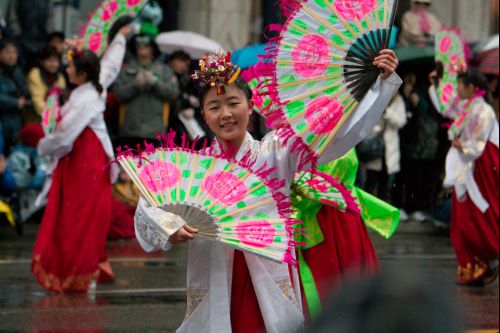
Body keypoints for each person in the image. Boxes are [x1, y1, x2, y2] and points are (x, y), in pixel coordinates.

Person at [133, 49, 401, 332]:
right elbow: (149, 201)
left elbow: (337, 132)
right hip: (215, 278)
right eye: (214, 107)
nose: (225, 114)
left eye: (233, 103)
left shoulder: (276, 151)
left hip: (266, 284)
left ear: (250, 107)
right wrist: (168, 225)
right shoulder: (192, 167)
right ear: (204, 115)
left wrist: (377, 86)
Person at [31, 25, 130, 294]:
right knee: (81, 216)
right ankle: (81, 269)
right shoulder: (89, 88)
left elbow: (63, 138)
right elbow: (109, 65)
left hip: (84, 162)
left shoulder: (86, 98)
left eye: (72, 67)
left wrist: (42, 146)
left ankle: (80, 272)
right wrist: (120, 36)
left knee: (78, 217)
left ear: (83, 73)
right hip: (81, 160)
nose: (67, 70)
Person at [295, 149, 400, 322]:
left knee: (334, 286)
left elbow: (327, 179)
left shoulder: (336, 138)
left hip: (332, 218)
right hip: (332, 214)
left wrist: (293, 186)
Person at [430, 69, 499, 286]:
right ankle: (477, 265)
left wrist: (463, 145)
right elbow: (446, 108)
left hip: (481, 168)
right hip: (469, 165)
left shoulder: (484, 111)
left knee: (480, 214)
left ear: (471, 88)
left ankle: (490, 259)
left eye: (460, 85)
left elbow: (477, 145)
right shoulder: (468, 107)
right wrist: (436, 84)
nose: (457, 88)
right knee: (464, 217)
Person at [113, 34, 179, 148]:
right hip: (130, 131)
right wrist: (134, 85)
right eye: (139, 45)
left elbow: (173, 93)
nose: (142, 47)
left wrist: (155, 83)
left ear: (152, 48)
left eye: (146, 45)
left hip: (155, 131)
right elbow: (117, 95)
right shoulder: (126, 69)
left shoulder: (164, 70)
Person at [361, 93, 407, 202]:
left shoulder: (398, 100)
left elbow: (401, 122)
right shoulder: (376, 94)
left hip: (389, 148)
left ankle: (380, 212)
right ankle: (365, 209)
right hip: (374, 144)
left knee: (385, 183)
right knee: (370, 182)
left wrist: (387, 112)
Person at [167, 50, 208, 145]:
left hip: (187, 121)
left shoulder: (188, 79)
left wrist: (193, 107)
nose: (183, 65)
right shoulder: (166, 77)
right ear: (171, 61)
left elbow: (198, 99)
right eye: (180, 61)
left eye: (186, 62)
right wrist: (186, 100)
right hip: (170, 120)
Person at [0, 39, 30, 151]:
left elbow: (26, 91)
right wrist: (15, 102)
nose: (12, 56)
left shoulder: (18, 71)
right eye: (8, 52)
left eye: (14, 52)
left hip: (17, 120)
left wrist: (26, 100)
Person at [27, 46, 66, 116]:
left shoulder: (59, 77)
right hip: (37, 115)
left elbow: (62, 98)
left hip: (54, 114)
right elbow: (38, 102)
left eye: (56, 61)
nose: (54, 64)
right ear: (42, 62)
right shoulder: (35, 74)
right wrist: (54, 116)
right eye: (50, 61)